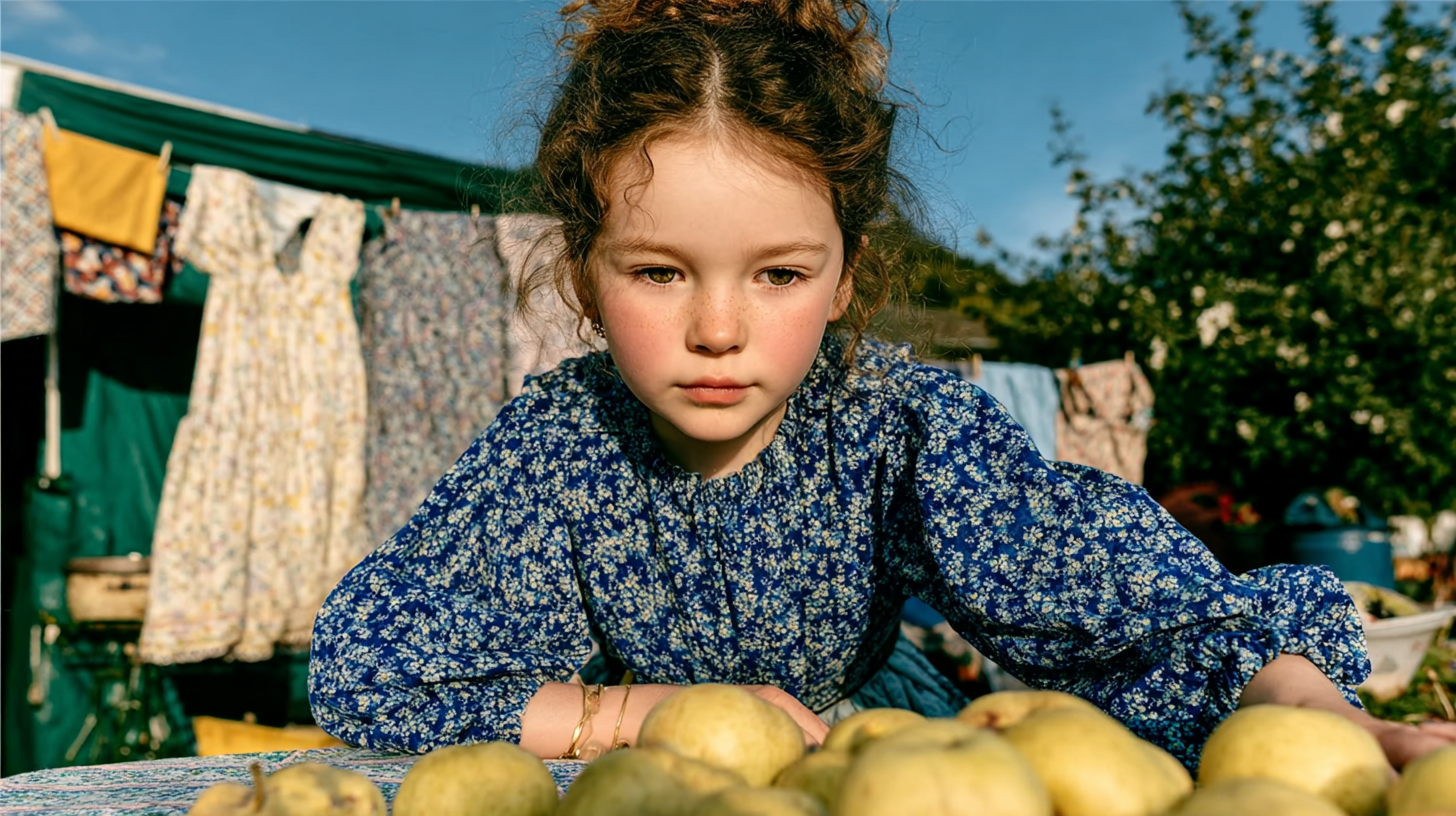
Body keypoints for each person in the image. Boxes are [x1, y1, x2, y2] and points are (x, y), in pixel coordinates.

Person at [309, 0, 1455, 770]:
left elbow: (1115, 593)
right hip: (646, 776)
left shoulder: (898, 422)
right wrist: (624, 714)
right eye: (658, 272)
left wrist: (1312, 719)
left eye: (779, 274)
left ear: (847, 275)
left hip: (874, 756)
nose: (718, 330)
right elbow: (376, 666)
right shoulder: (558, 443)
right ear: (580, 273)